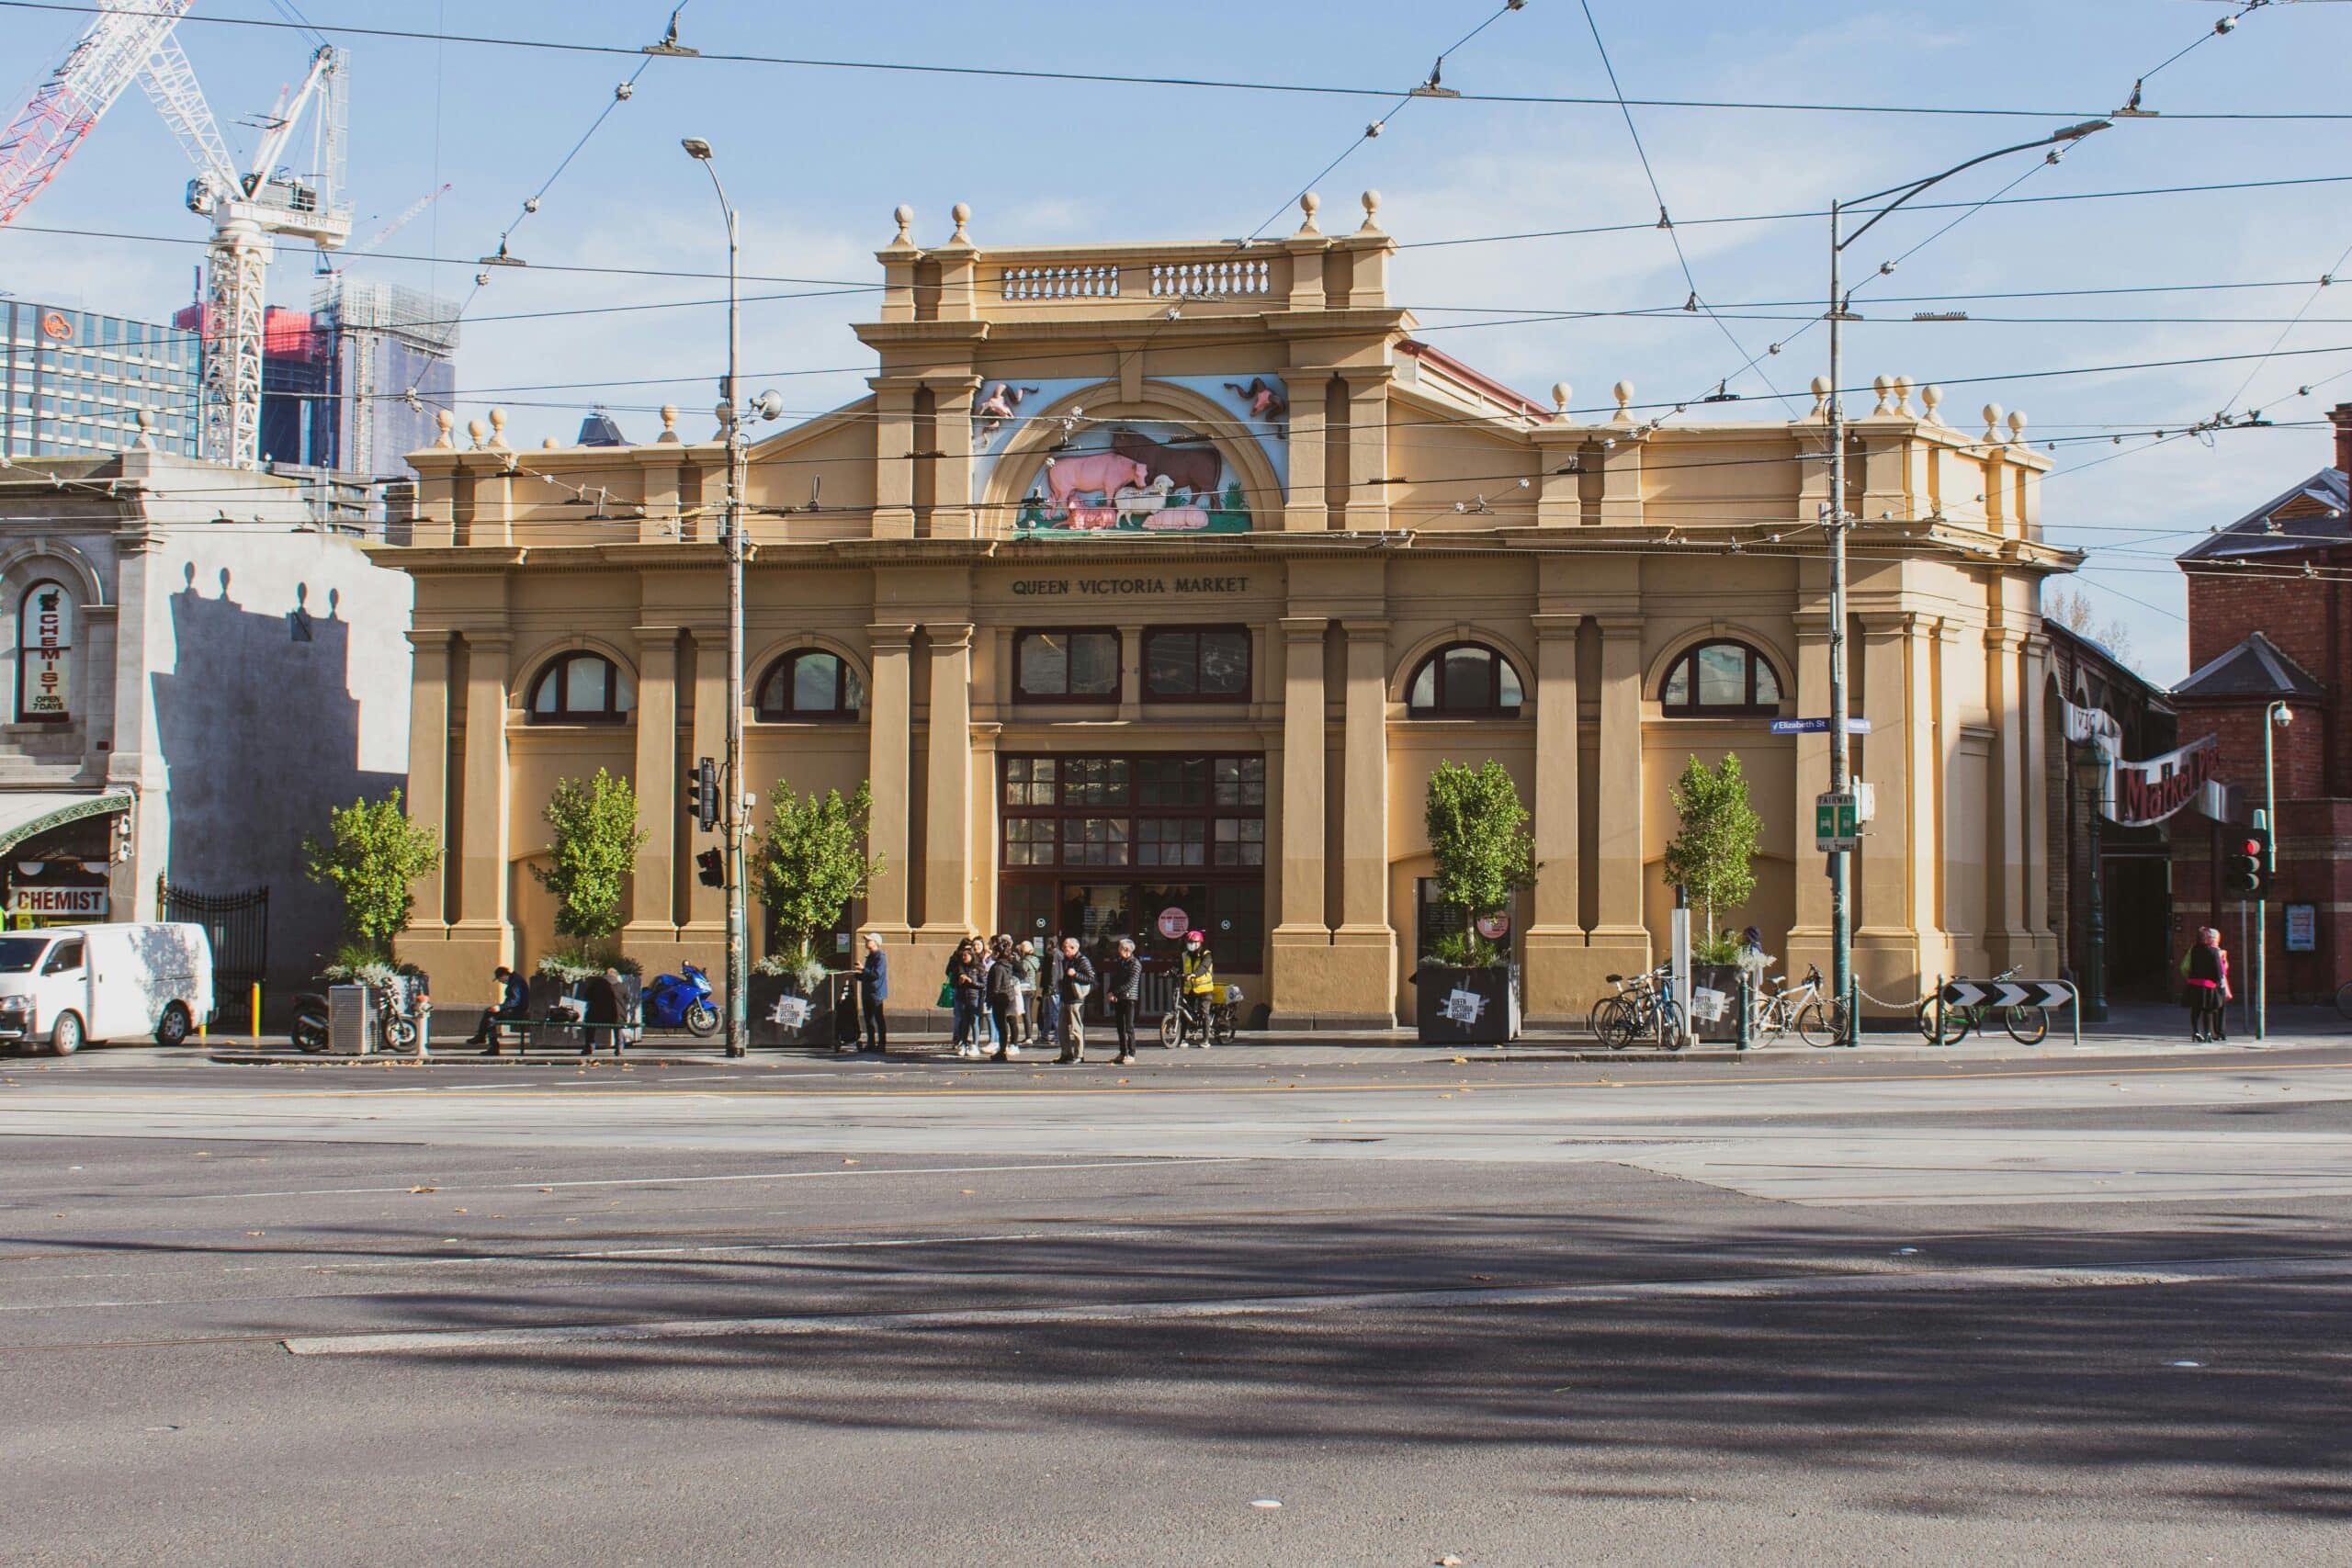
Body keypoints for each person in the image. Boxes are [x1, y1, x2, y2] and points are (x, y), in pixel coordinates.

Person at [2182, 926, 2231, 1043]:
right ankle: (2208, 1033)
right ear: (2208, 938)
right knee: (2208, 1010)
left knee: (2196, 1010)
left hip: (2194, 984)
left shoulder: (2194, 950)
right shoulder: (2214, 951)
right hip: (2208, 985)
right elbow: (2219, 971)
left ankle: (2195, 1032)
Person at [469, 964, 529, 1055]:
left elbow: (515, 1001)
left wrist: (500, 1007)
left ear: (504, 975)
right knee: (489, 1012)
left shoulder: (516, 982)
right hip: (515, 1010)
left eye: (500, 979)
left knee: (490, 1018)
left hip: (517, 1012)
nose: (501, 982)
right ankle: (484, 1039)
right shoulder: (515, 979)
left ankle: (489, 1044)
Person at [1056, 934, 1095, 1063]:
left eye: (1066, 948)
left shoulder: (1082, 960)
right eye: (1063, 948)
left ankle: (1079, 1055)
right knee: (1061, 1027)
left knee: (1076, 1028)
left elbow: (1090, 978)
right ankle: (1066, 1053)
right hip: (1065, 997)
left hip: (1076, 999)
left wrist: (1076, 974)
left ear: (1074, 948)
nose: (1064, 950)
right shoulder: (1066, 960)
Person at [1103, 935, 1142, 1065]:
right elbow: (1115, 978)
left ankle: (1131, 1053)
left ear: (1126, 949)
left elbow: (1130, 982)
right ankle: (1122, 1052)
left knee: (1129, 1026)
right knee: (1120, 1026)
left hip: (1129, 997)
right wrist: (1110, 991)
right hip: (1119, 997)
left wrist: (1115, 992)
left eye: (1120, 948)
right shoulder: (1120, 962)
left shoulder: (1135, 964)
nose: (1118, 950)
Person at [1175, 930, 1217, 1048]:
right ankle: (1182, 1039)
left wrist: (1195, 974)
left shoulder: (1206, 954)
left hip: (1204, 989)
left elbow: (1204, 967)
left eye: (1194, 942)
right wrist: (1170, 972)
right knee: (1185, 1013)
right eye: (1189, 942)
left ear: (1200, 943)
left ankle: (1205, 1040)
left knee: (1204, 1013)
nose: (1191, 944)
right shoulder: (1185, 955)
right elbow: (1179, 967)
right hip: (1189, 989)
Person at [986, 935, 1023, 1061]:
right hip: (1007, 997)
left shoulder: (998, 967)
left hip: (999, 999)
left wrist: (989, 1000)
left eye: (993, 952)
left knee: (1001, 1025)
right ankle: (1003, 1049)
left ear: (997, 953)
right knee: (1003, 1025)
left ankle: (1002, 1051)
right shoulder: (1007, 966)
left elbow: (995, 986)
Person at [948, 939, 987, 1057]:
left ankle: (975, 1045)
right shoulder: (959, 968)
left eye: (966, 955)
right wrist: (959, 981)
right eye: (963, 955)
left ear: (971, 956)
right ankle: (963, 1043)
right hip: (961, 997)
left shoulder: (978, 967)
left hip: (974, 997)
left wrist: (972, 982)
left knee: (974, 1021)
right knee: (963, 1022)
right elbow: (952, 983)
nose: (964, 957)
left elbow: (983, 984)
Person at [856, 933, 888, 1055]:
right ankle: (871, 1043)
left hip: (876, 992)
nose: (866, 942)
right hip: (867, 992)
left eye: (869, 940)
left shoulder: (880, 957)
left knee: (878, 1018)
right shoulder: (869, 957)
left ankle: (882, 1044)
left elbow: (876, 974)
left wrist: (863, 969)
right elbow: (868, 975)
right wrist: (858, 975)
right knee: (868, 1019)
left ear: (876, 942)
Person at [1015, 938, 1041, 1043]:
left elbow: (1022, 973)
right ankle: (1028, 1035)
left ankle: (1028, 1036)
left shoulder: (1025, 962)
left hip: (1025, 987)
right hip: (1033, 987)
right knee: (1029, 1011)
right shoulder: (1035, 960)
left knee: (1026, 1012)